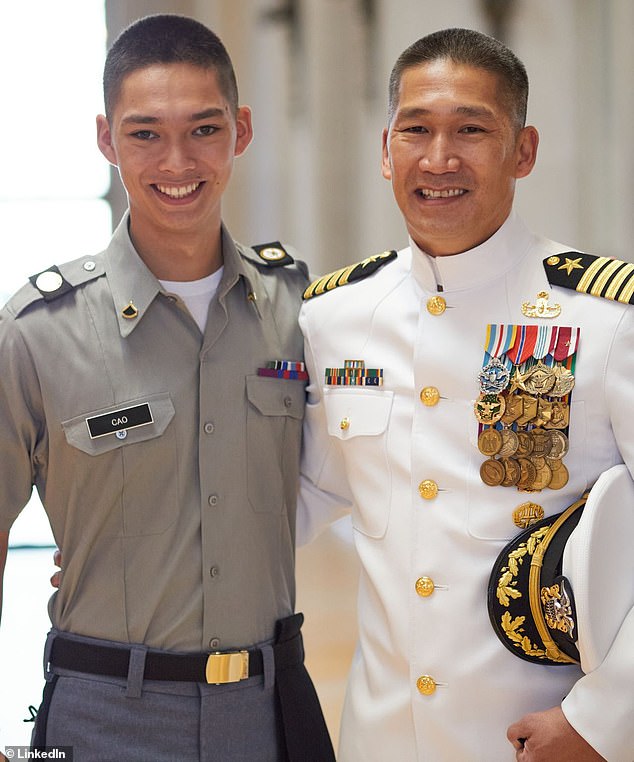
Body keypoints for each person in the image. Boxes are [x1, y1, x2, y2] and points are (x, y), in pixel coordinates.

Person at [0, 14, 334, 762]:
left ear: (241, 131)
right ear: (105, 138)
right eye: (145, 133)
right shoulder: (35, 331)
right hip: (102, 717)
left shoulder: (307, 310)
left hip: (269, 711)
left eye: (204, 129)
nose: (177, 160)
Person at [298, 27, 633, 761]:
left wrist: (607, 720)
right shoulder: (336, 319)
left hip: (544, 741)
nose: (440, 158)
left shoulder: (605, 320)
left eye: (471, 130)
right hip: (380, 739)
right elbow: (295, 498)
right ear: (385, 149)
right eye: (416, 130)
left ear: (524, 150)